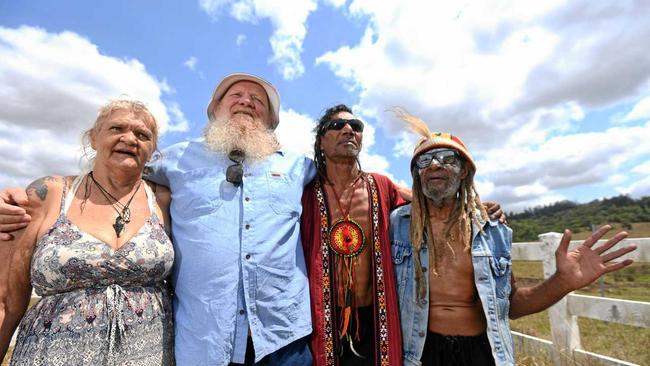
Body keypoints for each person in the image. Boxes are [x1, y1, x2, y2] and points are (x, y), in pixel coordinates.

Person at [0, 74, 314, 365]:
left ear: (271, 119)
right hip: (203, 342)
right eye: (236, 94)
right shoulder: (176, 161)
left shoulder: (300, 167)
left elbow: (350, 182)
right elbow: (114, 174)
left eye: (258, 100)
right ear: (215, 109)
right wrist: (14, 195)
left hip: (281, 341)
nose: (246, 101)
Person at [389, 111, 638, 366]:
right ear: (417, 174)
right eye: (424, 160)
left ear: (464, 170)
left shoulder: (492, 230)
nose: (433, 165)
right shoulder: (396, 225)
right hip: (419, 355)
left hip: (482, 354)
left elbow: (512, 305)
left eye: (446, 157)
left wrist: (562, 282)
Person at [301, 105, 505, 366]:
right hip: (324, 315)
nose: (349, 130)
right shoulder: (305, 193)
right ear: (321, 141)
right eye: (337, 126)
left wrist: (475, 206)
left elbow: (429, 201)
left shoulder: (380, 186)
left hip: (377, 319)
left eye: (356, 126)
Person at [0, 100, 174, 365]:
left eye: (142, 135)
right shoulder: (49, 194)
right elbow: (5, 302)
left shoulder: (164, 202)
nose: (129, 138)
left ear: (152, 151)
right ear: (94, 138)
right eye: (117, 128)